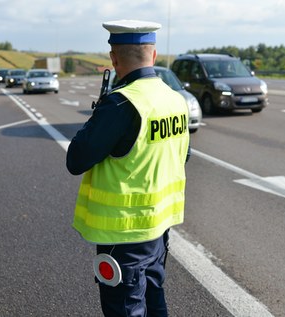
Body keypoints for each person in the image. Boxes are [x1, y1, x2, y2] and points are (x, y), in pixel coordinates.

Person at [66, 19, 190, 317]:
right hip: (158, 228)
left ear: (113, 57)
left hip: (123, 234)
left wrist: (101, 111)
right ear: (154, 54)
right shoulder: (176, 100)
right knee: (154, 300)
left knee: (125, 308)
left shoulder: (121, 103)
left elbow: (76, 159)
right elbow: (182, 155)